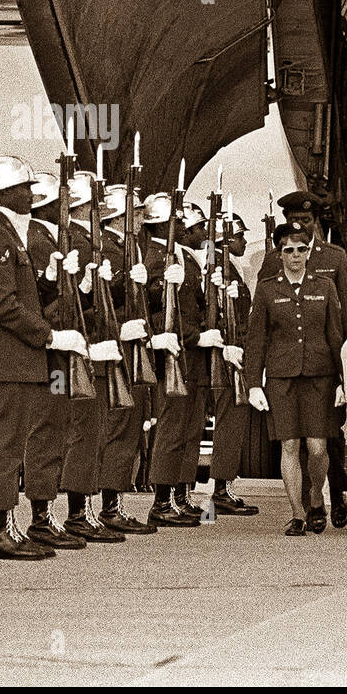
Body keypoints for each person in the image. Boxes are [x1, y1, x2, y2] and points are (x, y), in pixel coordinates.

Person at [0, 155, 88, 560]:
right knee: (4, 445)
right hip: (10, 359)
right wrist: (51, 336)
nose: (31, 195)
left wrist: (49, 279)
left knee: (15, 442)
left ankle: (11, 526)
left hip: (21, 360)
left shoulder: (9, 233)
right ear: (5, 193)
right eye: (24, 189)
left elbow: (21, 294)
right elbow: (3, 306)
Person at [260, 191, 347, 528]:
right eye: (293, 221)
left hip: (322, 367)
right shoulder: (274, 261)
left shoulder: (334, 256)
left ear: (316, 222)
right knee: (291, 442)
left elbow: (346, 320)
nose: (299, 227)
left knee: (327, 442)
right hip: (286, 368)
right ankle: (301, 510)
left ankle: (335, 492)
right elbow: (261, 319)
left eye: (305, 221)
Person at [26, 170, 109, 547]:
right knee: (48, 432)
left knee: (61, 429)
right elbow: (41, 302)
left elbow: (68, 298)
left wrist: (86, 289)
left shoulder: (48, 236)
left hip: (63, 347)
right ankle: (42, 517)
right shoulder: (37, 239)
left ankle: (65, 513)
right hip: (50, 352)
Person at [245, 221, 344, 536]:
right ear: (279, 253)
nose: (296, 256)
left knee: (317, 447)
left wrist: (344, 380)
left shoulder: (324, 287)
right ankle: (298, 514)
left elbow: (335, 336)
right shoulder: (267, 289)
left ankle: (316, 495)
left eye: (302, 249)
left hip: (320, 376)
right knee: (289, 444)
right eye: (289, 250)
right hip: (281, 377)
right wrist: (252, 384)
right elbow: (256, 340)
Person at [93, 183, 158, 535]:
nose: (141, 219)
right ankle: (109, 507)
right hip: (118, 348)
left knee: (126, 431)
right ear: (119, 216)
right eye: (135, 213)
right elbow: (100, 304)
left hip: (129, 345)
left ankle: (111, 504)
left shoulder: (126, 248)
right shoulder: (110, 249)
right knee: (119, 431)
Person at [142, 194, 211, 527]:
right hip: (174, 350)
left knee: (189, 425)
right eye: (179, 221)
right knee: (171, 427)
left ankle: (181, 494)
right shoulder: (153, 255)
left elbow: (194, 305)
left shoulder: (185, 257)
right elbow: (152, 307)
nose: (184, 226)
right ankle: (160, 501)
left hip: (193, 350)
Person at [207, 210, 258, 515]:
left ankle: (222, 485)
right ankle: (220, 488)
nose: (244, 241)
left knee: (231, 421)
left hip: (232, 348)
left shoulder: (229, 267)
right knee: (230, 420)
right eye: (239, 236)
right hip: (227, 352)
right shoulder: (220, 267)